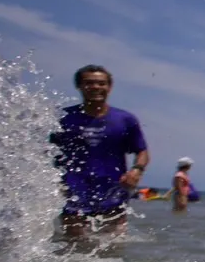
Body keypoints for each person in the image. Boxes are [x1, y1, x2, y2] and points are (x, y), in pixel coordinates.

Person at [50, 65, 149, 240]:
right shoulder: (62, 118)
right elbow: (46, 152)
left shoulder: (125, 120)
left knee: (113, 248)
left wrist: (137, 170)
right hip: (73, 192)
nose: (95, 87)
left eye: (101, 83)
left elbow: (142, 151)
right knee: (76, 248)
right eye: (89, 83)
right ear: (79, 86)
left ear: (109, 87)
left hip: (113, 191)